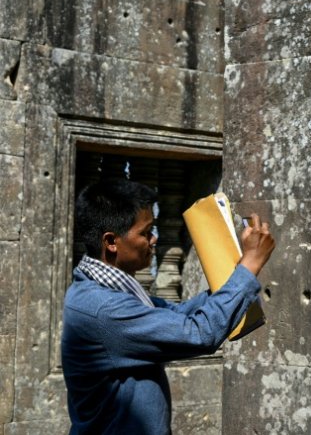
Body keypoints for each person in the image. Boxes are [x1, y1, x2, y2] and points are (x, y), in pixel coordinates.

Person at [61, 179, 274, 434]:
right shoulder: (102, 308)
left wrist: (236, 275)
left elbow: (178, 314)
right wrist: (248, 268)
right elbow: (198, 333)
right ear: (111, 241)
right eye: (145, 232)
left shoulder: (107, 287)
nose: (154, 239)